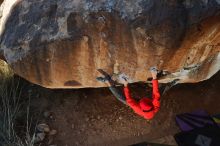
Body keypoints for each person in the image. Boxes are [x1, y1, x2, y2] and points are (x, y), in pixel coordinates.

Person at [96, 67, 160, 120]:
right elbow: (155, 92)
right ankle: (107, 81)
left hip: (138, 103)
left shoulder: (138, 109)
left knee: (121, 98)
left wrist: (125, 85)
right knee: (157, 95)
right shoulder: (155, 106)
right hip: (147, 101)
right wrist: (154, 77)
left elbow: (129, 100)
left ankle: (108, 81)